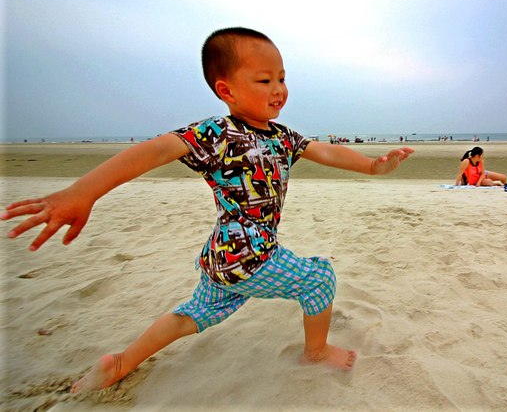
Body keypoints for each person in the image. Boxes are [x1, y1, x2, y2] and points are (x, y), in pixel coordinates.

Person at [1, 27, 414, 392]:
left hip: (222, 256)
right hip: (250, 257)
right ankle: (317, 352)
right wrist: (83, 192)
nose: (279, 89)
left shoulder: (283, 136)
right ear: (226, 91)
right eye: (265, 79)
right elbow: (155, 150)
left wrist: (373, 167)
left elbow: (325, 151)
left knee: (194, 314)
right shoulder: (216, 134)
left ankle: (121, 363)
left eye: (282, 78)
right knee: (319, 278)